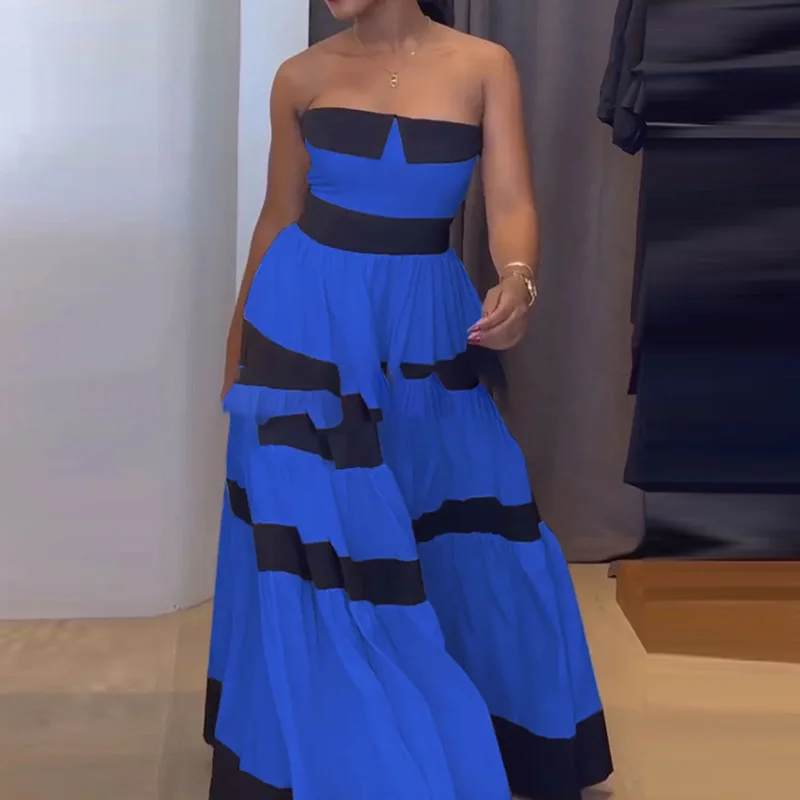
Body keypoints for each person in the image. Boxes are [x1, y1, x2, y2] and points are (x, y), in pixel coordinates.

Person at [204, 1, 613, 798]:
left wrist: (520, 281)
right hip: (302, 321)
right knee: (320, 542)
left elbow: (511, 202)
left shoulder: (484, 66)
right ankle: (345, 759)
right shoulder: (300, 76)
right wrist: (236, 348)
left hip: (425, 324)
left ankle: (465, 732)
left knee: (459, 523)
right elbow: (279, 215)